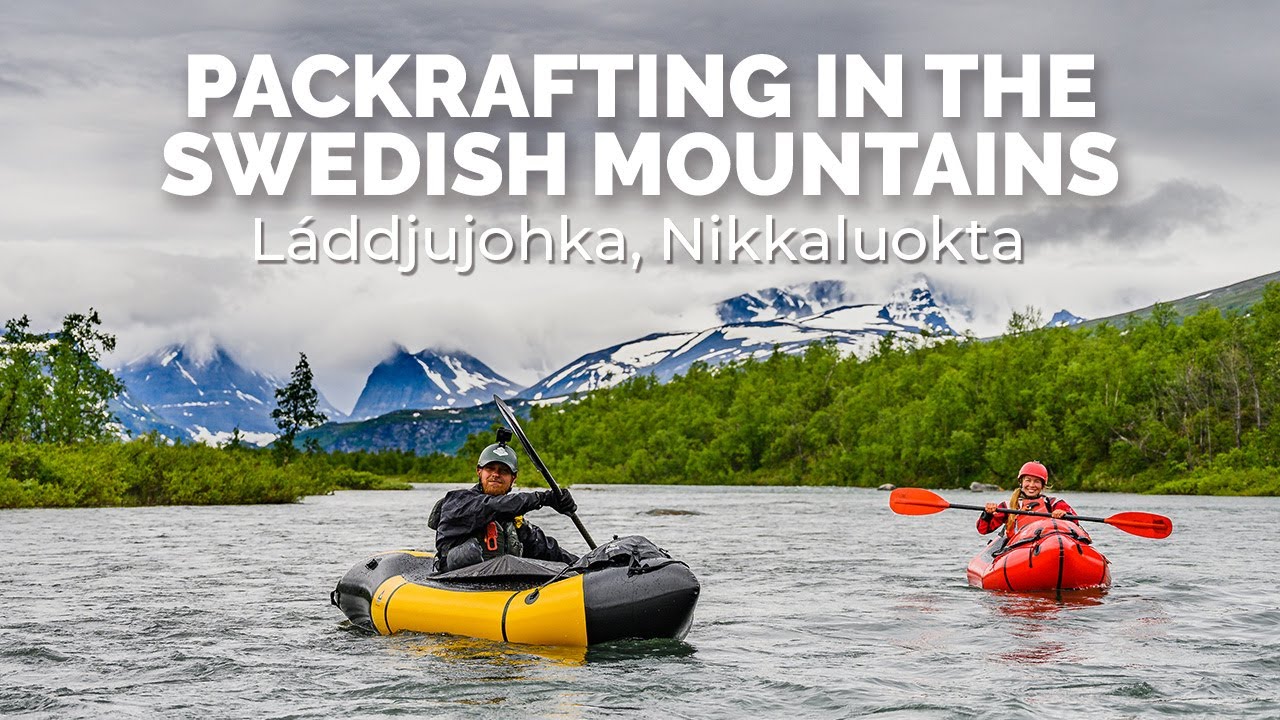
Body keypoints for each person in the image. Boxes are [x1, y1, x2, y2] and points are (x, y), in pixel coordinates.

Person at [429, 440, 579, 572]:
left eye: (504, 471)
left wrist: (586, 565)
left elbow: (547, 550)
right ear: (479, 472)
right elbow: (491, 506)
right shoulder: (458, 502)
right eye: (490, 469)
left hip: (500, 590)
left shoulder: (514, 520)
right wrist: (542, 498)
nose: (496, 474)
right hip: (455, 587)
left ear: (513, 478)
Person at [977, 461, 1078, 537]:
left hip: (1047, 542)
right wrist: (988, 514)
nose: (1032, 485)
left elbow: (1075, 523)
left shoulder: (1054, 503)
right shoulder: (1008, 506)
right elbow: (983, 530)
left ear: (1042, 485)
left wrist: (1063, 515)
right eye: (1028, 480)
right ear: (1021, 482)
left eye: (1037, 481)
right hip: (1018, 548)